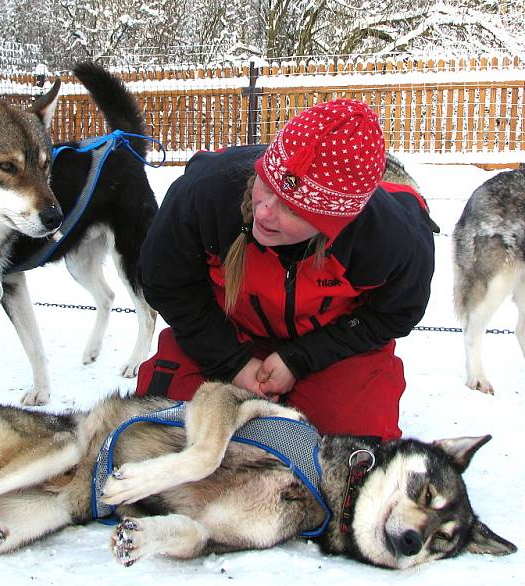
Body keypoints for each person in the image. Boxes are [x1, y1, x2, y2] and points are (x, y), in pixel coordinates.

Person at [135, 98, 435, 441]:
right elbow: (166, 284)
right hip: (219, 333)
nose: (263, 213)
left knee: (352, 451)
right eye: (266, 185)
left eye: (292, 209)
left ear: (333, 222)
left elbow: (393, 315)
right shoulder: (205, 196)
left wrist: (300, 358)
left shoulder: (392, 239)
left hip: (330, 351)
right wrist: (232, 362)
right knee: (159, 431)